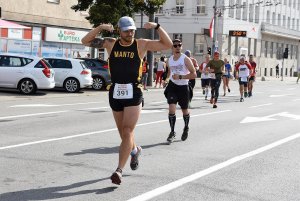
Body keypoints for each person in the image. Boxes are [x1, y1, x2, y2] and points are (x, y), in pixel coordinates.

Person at [81, 16, 172, 185]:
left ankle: (119, 170)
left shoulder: (141, 44)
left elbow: (167, 45)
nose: (130, 33)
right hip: (115, 90)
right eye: (126, 30)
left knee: (128, 130)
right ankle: (135, 150)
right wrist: (100, 26)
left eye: (132, 30)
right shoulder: (110, 43)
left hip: (134, 91)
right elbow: (85, 41)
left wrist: (157, 27)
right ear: (119, 30)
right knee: (124, 134)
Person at [164, 39, 197, 144]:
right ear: (172, 48)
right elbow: (169, 72)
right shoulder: (169, 60)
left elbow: (194, 74)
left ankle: (186, 127)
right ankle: (172, 132)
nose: (177, 47)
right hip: (173, 86)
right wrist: (166, 80)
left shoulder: (185, 59)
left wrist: (181, 76)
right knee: (171, 109)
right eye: (175, 45)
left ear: (181, 47)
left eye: (179, 45)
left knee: (184, 111)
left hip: (183, 87)